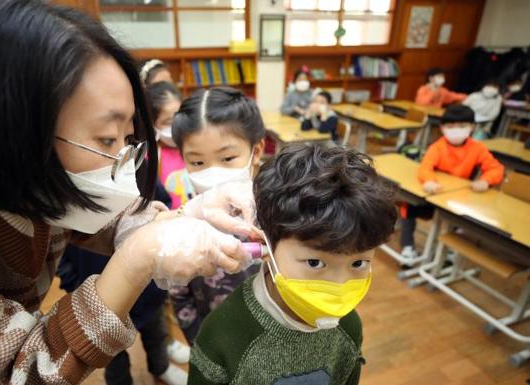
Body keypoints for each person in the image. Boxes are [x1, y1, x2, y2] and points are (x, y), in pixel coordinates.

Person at [0, 1, 258, 383]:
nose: (122, 163)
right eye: (107, 139)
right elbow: (14, 372)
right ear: (9, 130)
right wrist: (136, 258)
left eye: (127, 138)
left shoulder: (29, 181)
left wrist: (187, 215)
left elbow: (111, 211)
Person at [187, 144, 398, 385]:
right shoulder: (223, 334)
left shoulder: (348, 327)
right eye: (315, 262)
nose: (339, 284)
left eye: (359, 263)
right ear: (265, 243)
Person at [168, 86, 265, 344]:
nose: (213, 173)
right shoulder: (185, 220)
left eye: (227, 158)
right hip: (211, 337)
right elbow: (178, 291)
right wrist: (200, 341)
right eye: (197, 162)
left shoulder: (274, 212)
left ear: (256, 152)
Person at [400, 105, 504, 259]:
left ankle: (448, 250)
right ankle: (407, 245)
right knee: (408, 206)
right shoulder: (437, 147)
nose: (456, 130)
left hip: (459, 198)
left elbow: (496, 169)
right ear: (442, 128)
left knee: (462, 220)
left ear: (472, 127)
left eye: (462, 126)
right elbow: (425, 167)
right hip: (435, 193)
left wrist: (486, 181)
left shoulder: (478, 148)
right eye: (450, 126)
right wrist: (429, 181)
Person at [147, 81, 190, 209]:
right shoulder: (150, 158)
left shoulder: (196, 146)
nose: (176, 126)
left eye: (179, 117)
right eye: (167, 122)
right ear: (153, 125)